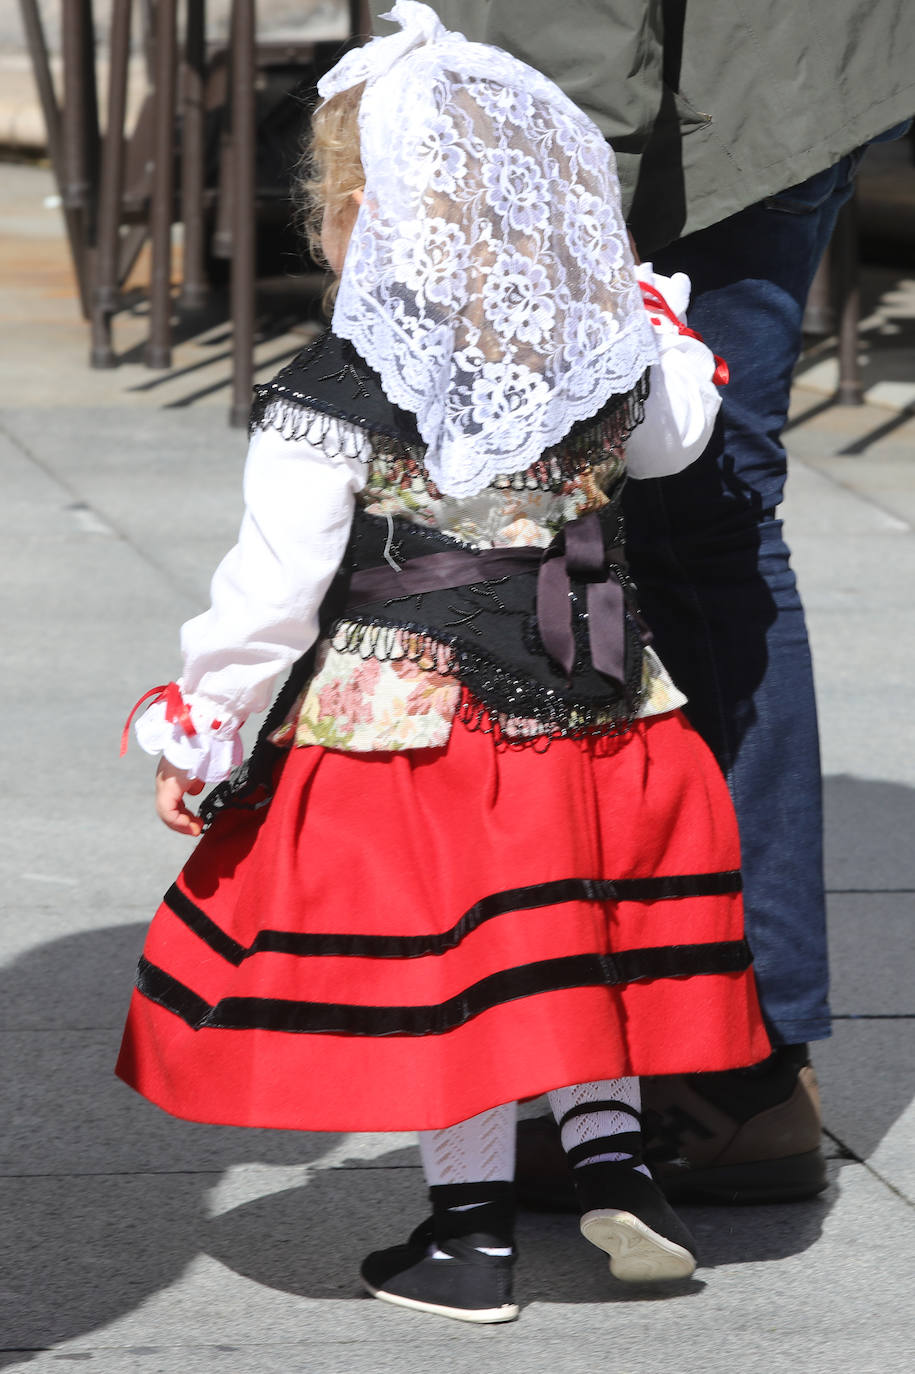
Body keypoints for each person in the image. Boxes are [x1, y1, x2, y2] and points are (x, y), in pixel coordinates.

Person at [117, 2, 770, 1324]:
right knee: (576, 944)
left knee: (465, 978)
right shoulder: (598, 347)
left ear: (360, 213)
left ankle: (466, 1238)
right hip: (605, 710)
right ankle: (618, 1168)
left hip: (416, 730)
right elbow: (677, 439)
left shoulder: (345, 379)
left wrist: (209, 718)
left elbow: (277, 577)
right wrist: (644, 309)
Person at [399, 0, 915, 1204]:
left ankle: (727, 1067)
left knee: (696, 528)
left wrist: (571, 193)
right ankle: (719, 1055)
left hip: (688, 124)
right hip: (764, 79)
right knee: (708, 532)